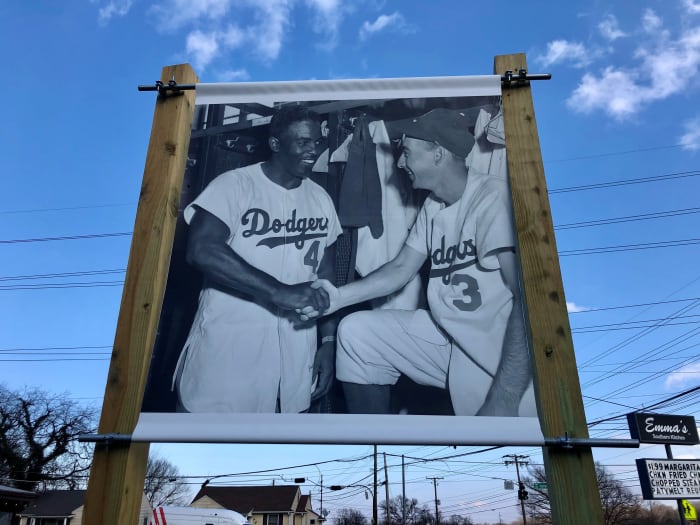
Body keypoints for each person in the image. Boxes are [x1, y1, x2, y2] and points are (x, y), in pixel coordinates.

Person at [301, 107, 534, 416]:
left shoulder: (493, 197)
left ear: (438, 153)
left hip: (499, 349)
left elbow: (529, 300)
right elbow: (400, 269)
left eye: (407, 153)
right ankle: (374, 443)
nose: (399, 162)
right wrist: (338, 297)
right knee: (357, 332)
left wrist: (505, 397)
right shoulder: (434, 205)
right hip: (448, 337)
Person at [173, 104, 342, 413]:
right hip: (231, 342)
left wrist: (329, 342)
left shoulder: (321, 198)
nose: (313, 150)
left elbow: (327, 277)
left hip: (295, 346)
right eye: (303, 141)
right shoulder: (234, 185)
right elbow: (201, 249)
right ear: (276, 144)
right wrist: (279, 291)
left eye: (317, 142)